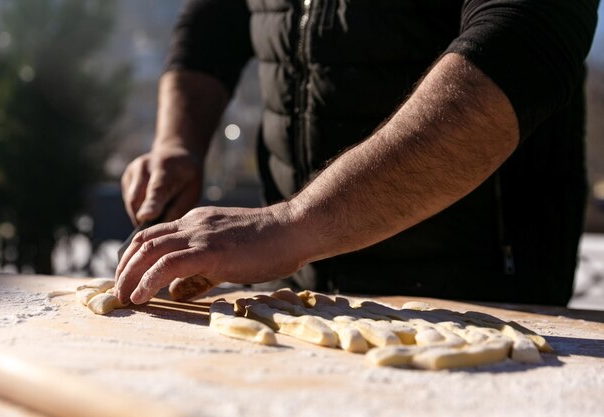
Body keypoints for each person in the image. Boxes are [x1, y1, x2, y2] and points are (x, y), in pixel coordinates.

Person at [114, 0, 600, 307]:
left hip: (480, 296)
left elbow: (525, 40)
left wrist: (296, 223)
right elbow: (214, 21)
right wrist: (177, 143)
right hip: (299, 288)